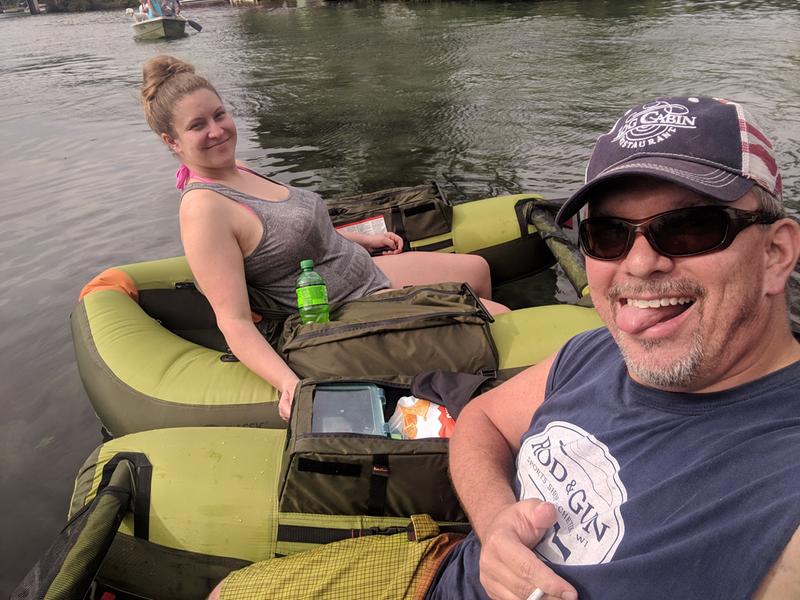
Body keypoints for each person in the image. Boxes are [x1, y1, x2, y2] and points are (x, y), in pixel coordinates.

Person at [207, 96, 800, 599]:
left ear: (776, 252)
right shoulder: (596, 352)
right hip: (440, 569)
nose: (640, 263)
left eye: (691, 227)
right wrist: (493, 528)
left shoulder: (779, 483)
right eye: (608, 234)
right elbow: (484, 418)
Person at [139, 55, 508, 421]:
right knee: (499, 320)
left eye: (219, 115)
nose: (217, 130)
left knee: (477, 269)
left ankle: (480, 376)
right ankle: (492, 388)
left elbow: (292, 229)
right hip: (344, 305)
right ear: (173, 142)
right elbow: (233, 320)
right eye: (198, 125)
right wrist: (288, 384)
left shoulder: (237, 169)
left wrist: (360, 241)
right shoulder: (204, 210)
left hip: (361, 269)